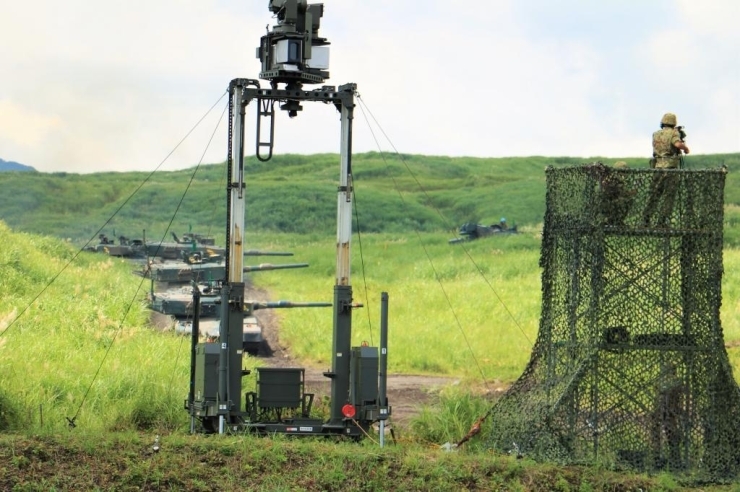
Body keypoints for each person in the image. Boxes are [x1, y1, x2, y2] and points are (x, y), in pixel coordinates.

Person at [643, 113, 690, 227]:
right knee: (669, 196)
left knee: (654, 194)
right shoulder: (674, 133)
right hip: (670, 169)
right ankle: (662, 221)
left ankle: (645, 219)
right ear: (674, 123)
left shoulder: (656, 134)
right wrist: (686, 148)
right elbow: (678, 144)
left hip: (657, 168)